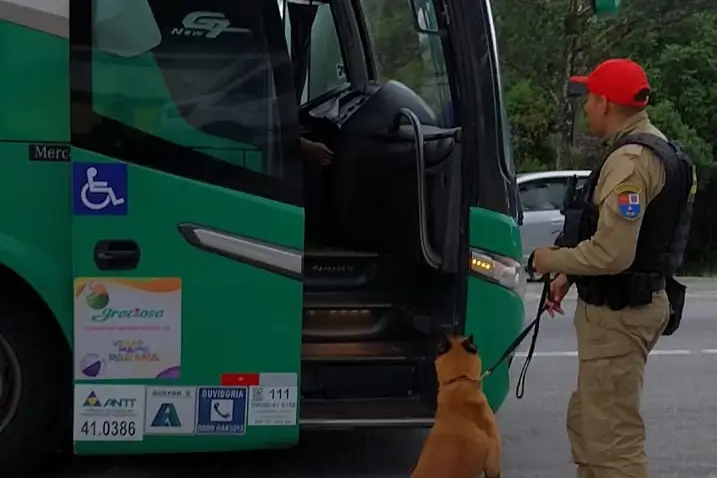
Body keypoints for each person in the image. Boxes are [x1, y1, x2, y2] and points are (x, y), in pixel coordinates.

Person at [530, 58, 696, 478]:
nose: (586, 106)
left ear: (604, 103)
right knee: (588, 425)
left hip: (621, 314)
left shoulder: (630, 162)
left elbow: (613, 255)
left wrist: (552, 260)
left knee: (612, 445)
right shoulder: (654, 148)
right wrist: (571, 273)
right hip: (625, 305)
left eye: (589, 97)